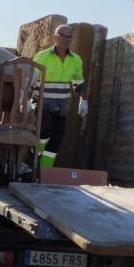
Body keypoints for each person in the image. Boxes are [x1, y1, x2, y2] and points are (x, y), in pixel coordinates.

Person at [32, 24, 88, 168]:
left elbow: (78, 83)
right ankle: (32, 160)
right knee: (46, 128)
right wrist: (25, 100)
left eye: (69, 37)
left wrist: (84, 100)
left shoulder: (76, 60)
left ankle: (44, 171)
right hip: (42, 102)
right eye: (62, 36)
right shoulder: (42, 57)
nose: (65, 39)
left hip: (62, 105)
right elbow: (30, 81)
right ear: (55, 37)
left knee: (57, 137)